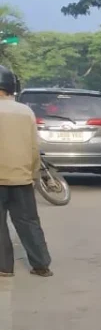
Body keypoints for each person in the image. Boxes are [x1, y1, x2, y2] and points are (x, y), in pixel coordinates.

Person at [0, 64, 53, 277]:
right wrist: (32, 174)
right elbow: (34, 147)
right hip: (21, 177)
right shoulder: (26, 111)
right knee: (29, 222)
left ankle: (4, 267)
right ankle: (41, 265)